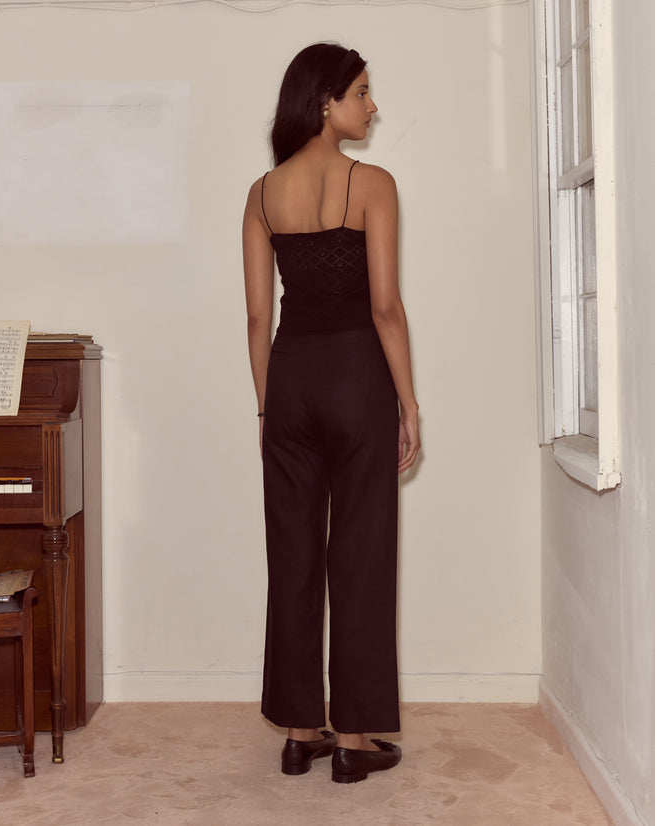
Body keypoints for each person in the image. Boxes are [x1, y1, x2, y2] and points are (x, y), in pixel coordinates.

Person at [243, 42, 420, 784]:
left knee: (291, 558)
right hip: (357, 380)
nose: (372, 106)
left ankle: (297, 732)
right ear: (325, 101)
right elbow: (384, 306)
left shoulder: (261, 193)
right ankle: (352, 739)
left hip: (290, 380)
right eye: (363, 92)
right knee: (361, 555)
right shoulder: (372, 184)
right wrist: (408, 402)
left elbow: (258, 318)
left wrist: (268, 406)